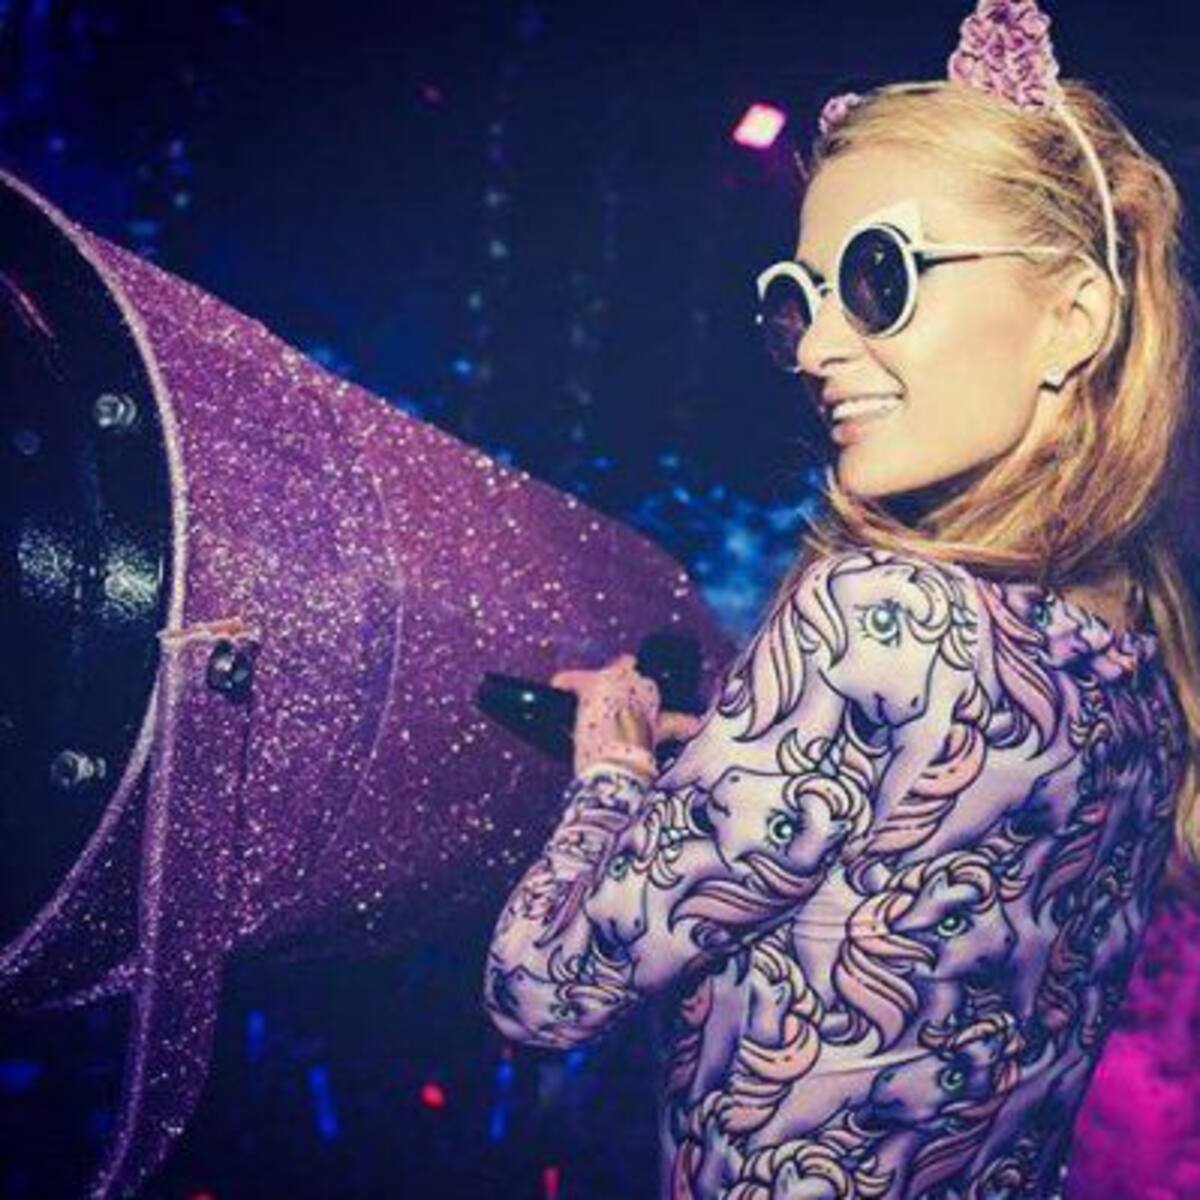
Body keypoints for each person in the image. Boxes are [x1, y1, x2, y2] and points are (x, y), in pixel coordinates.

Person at [483, 1, 1200, 1195]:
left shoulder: (873, 615)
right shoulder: (1143, 659)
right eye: (798, 297)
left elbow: (539, 988)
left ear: (1070, 319)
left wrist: (612, 764)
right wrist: (723, 757)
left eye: (877, 279)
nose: (815, 347)